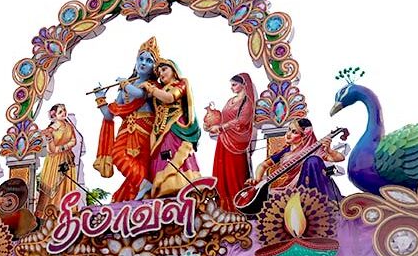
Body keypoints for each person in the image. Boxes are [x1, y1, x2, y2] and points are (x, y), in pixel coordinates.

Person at [94, 37, 160, 203]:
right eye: (141, 59)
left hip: (144, 128)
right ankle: (143, 183)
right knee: (117, 155)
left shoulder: (152, 85)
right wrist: (100, 98)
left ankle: (144, 187)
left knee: (140, 162)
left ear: (154, 67)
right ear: (136, 61)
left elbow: (140, 94)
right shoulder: (127, 87)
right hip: (126, 129)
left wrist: (124, 84)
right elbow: (110, 114)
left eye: (149, 61)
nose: (143, 63)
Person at [141, 59, 202, 199]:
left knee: (176, 155)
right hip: (160, 131)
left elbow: (170, 98)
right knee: (163, 157)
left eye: (164, 70)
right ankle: (163, 188)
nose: (161, 74)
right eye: (159, 73)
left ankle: (181, 185)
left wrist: (151, 89)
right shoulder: (160, 89)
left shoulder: (180, 84)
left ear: (174, 70)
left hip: (175, 128)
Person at [249, 118, 345, 203]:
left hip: (310, 187)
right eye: (289, 130)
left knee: (313, 160)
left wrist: (329, 151)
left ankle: (313, 199)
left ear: (304, 136)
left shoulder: (315, 150)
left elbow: (339, 158)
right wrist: (257, 180)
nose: (288, 134)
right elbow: (263, 165)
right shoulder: (285, 151)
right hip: (289, 187)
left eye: (294, 132)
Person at [208, 73, 256, 211]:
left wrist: (221, 127)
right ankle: (224, 207)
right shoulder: (231, 100)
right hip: (223, 140)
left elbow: (241, 121)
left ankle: (238, 206)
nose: (231, 88)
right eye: (231, 85)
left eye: (234, 84)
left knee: (235, 173)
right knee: (221, 172)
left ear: (243, 85)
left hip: (237, 142)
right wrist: (211, 122)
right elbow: (223, 118)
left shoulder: (247, 103)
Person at [37, 104, 85, 217]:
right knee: (54, 186)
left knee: (67, 184)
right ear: (54, 115)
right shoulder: (51, 129)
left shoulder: (69, 126)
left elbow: (73, 141)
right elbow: (51, 149)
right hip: (55, 161)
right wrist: (58, 146)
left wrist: (62, 148)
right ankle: (51, 213)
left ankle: (68, 211)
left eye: (64, 110)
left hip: (67, 159)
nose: (63, 113)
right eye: (60, 112)